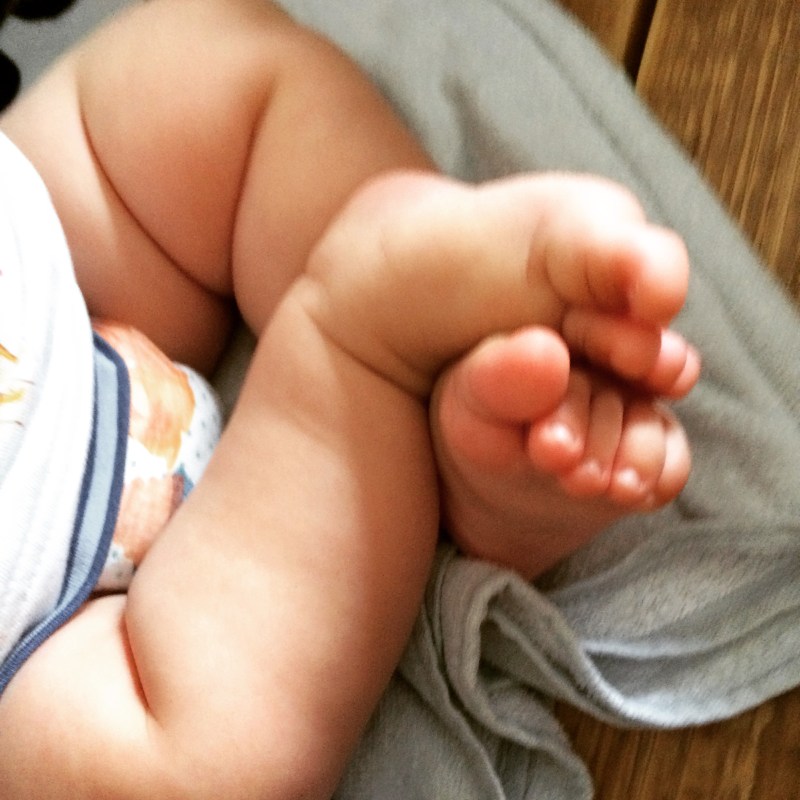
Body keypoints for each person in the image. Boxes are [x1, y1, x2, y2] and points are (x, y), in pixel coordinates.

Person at [0, 0, 699, 797]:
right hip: (55, 672)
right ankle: (365, 343)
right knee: (191, 775)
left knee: (207, 72)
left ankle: (455, 343)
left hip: (51, 261)